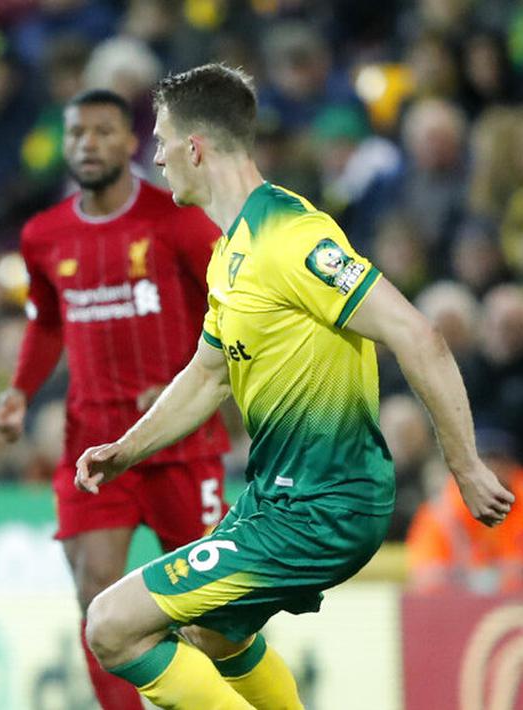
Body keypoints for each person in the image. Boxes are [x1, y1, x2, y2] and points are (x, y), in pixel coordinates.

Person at [74, 63, 515, 710]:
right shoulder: (232, 251)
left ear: (195, 147)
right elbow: (207, 373)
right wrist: (127, 449)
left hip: (323, 505)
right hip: (274, 501)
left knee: (110, 627)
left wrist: (464, 465)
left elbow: (420, 336)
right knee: (212, 635)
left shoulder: (292, 237)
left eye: (163, 141)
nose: (156, 156)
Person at [0, 88, 229, 709]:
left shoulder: (176, 220)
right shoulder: (44, 236)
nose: (86, 144)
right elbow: (45, 323)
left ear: (131, 142)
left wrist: (183, 379)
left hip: (181, 439)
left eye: (102, 131)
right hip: (94, 446)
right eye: (75, 134)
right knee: (97, 595)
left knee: (211, 611)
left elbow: (229, 312)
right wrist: (19, 392)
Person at [407, 428, 523, 594]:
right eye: (484, 462)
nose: (493, 470)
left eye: (499, 461)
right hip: (457, 608)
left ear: (512, 467)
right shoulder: (443, 511)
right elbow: (424, 575)